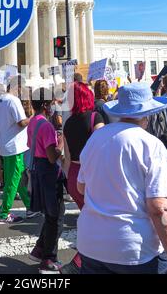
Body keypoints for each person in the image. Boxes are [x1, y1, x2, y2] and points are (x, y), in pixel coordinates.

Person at [77, 82, 167, 274]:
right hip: (132, 247)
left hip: (90, 241)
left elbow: (81, 187)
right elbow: (159, 207)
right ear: (147, 114)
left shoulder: (96, 137)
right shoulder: (151, 144)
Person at [62, 81, 104, 273]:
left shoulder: (68, 123)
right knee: (99, 222)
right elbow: (102, 150)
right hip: (91, 175)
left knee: (90, 219)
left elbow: (68, 157)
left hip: (73, 175)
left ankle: (90, 260)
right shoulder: (95, 117)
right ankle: (79, 263)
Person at [28, 88, 65, 274]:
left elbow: (31, 145)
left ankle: (40, 248)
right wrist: (61, 143)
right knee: (56, 216)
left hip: (37, 169)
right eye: (50, 103)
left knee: (50, 215)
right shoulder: (46, 126)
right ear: (44, 105)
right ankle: (48, 259)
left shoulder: (33, 122)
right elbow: (52, 156)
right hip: (49, 171)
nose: (52, 106)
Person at [0, 75, 32, 224]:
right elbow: (22, 122)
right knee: (13, 180)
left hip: (6, 144)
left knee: (18, 179)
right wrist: (34, 118)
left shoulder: (0, 99)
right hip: (15, 146)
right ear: (18, 87)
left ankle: (30, 206)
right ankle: (4, 213)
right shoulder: (13, 100)